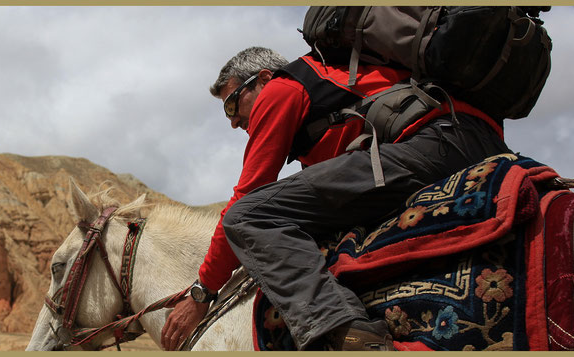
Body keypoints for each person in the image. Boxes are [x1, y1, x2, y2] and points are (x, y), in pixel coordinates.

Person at [160, 45, 511, 351]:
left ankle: (350, 337)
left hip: (433, 141)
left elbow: (246, 197)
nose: (234, 122)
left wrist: (202, 293)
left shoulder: (280, 89)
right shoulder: (332, 92)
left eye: (232, 104)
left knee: (247, 217)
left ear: (264, 79)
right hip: (476, 137)